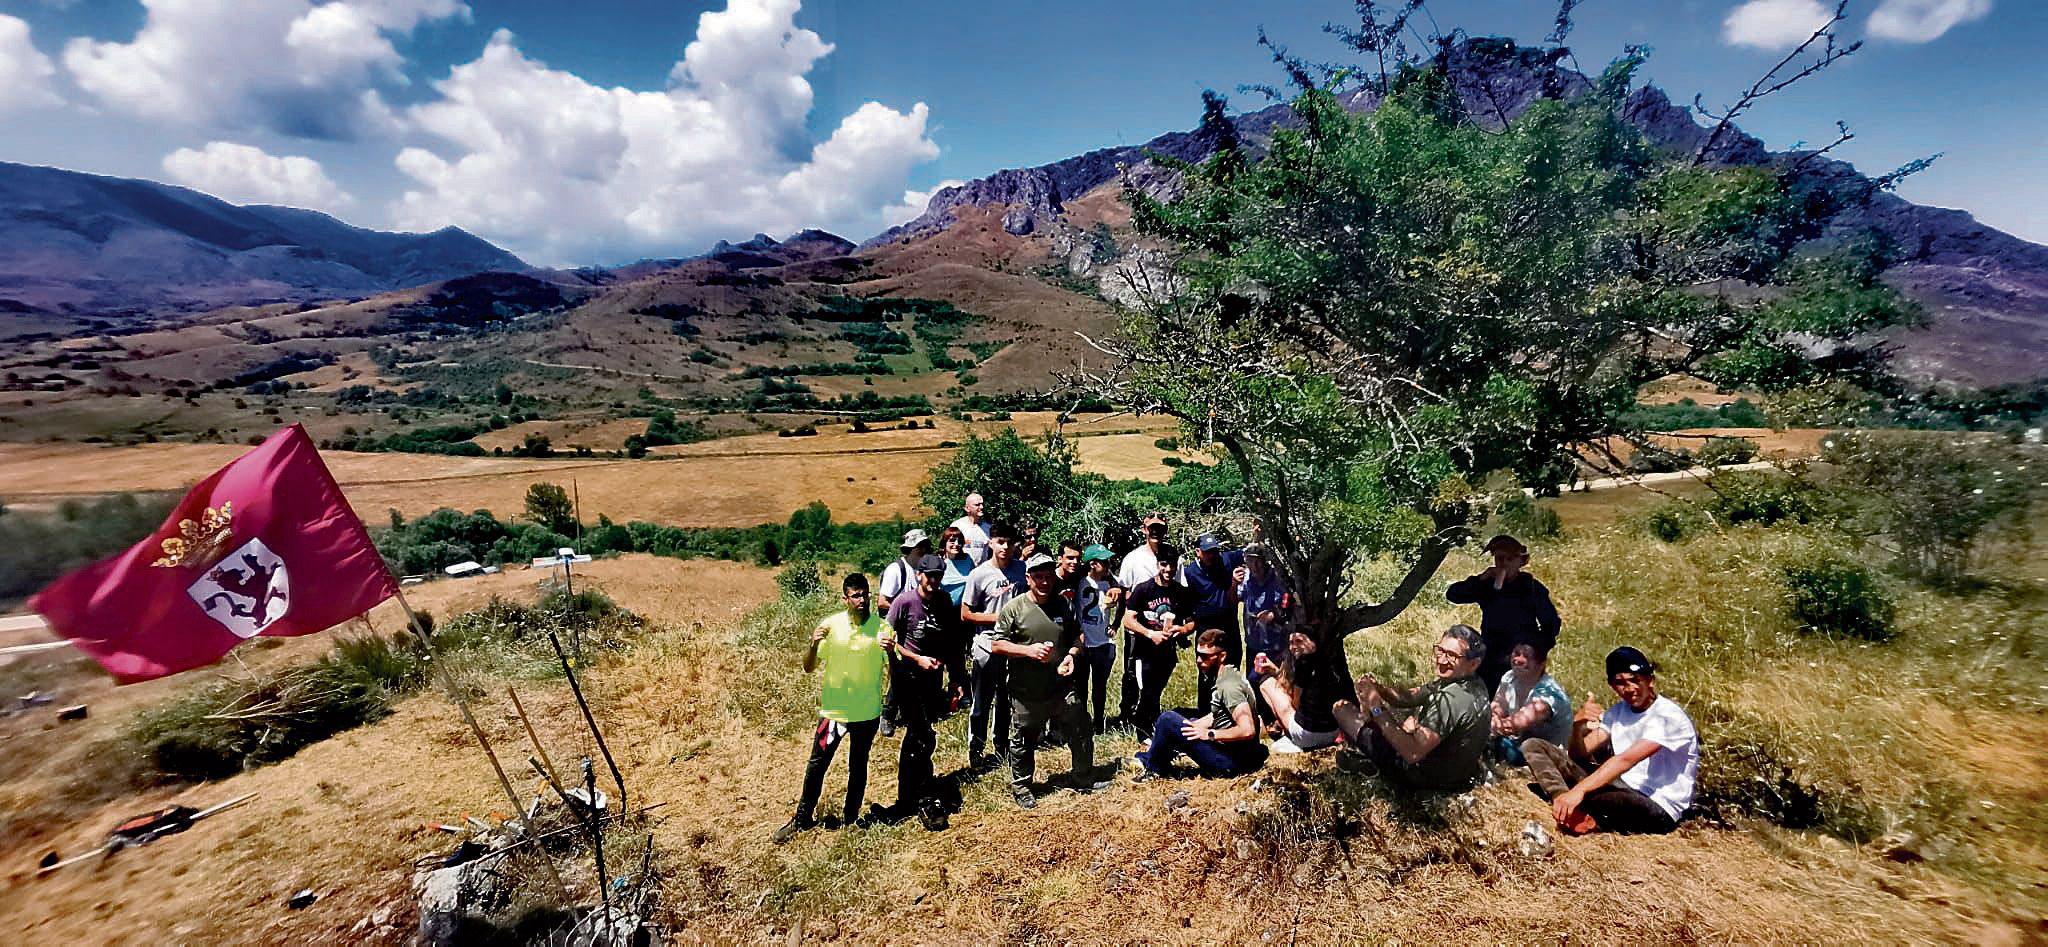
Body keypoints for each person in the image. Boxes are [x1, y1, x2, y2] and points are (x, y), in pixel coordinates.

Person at [1524, 646, 1697, 835]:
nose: (1630, 688)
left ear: (1650, 680)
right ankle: (1561, 800)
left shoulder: (1668, 717)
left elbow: (1625, 760)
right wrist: (1577, 726)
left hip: (1657, 805)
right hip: (1621, 786)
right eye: (1621, 683)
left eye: (1635, 680)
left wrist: (1579, 790)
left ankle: (1590, 819)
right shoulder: (1618, 711)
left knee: (1601, 795)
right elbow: (1579, 755)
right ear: (1613, 686)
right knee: (1533, 745)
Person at [775, 574, 886, 843]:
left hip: (867, 713)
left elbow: (894, 670)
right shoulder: (831, 626)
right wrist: (813, 644)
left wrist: (892, 650)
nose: (862, 600)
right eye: (856, 595)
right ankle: (802, 818)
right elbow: (808, 666)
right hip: (834, 713)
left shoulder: (882, 628)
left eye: (865, 594)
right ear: (845, 599)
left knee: (858, 766)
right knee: (817, 765)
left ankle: (851, 818)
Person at [993, 553, 1102, 808]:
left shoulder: (1062, 605)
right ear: (1028, 578)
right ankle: (1022, 787)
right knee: (1024, 738)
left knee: (1080, 727)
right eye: (1038, 577)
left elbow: (1078, 637)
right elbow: (997, 644)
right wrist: (1028, 651)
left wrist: (1072, 656)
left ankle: (1083, 777)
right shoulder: (1015, 608)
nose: (1044, 582)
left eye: (1048, 576)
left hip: (1061, 686)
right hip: (1026, 689)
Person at [1332, 624, 1492, 792]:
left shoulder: (1451, 700)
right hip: (1456, 773)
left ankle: (1373, 765)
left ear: (1473, 663)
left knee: (1342, 710)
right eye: (1440, 650)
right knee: (1405, 722)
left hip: (1423, 779)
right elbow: (1410, 697)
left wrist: (1376, 708)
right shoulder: (1471, 684)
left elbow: (1412, 753)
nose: (1441, 660)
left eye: (1451, 655)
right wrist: (1379, 688)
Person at [884, 555, 965, 831]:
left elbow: (953, 644)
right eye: (928, 575)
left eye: (938, 576)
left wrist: (956, 679)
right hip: (906, 679)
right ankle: (923, 796)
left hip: (933, 679)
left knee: (919, 737)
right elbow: (888, 642)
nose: (933, 581)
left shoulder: (943, 602)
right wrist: (915, 659)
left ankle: (908, 794)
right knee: (922, 735)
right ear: (919, 574)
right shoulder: (904, 602)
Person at [1135, 629, 1267, 779]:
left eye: (1205, 657)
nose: (1199, 660)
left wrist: (1210, 734)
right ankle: (1148, 758)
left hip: (1232, 764)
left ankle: (1153, 768)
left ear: (1222, 656)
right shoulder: (1227, 675)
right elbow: (1219, 714)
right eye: (1198, 655)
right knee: (1188, 722)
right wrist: (1196, 725)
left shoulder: (1229, 686)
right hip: (1237, 756)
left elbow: (1247, 730)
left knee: (1167, 719)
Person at [1446, 535, 1561, 696]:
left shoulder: (1532, 588)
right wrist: (1481, 579)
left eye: (1510, 559)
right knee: (1488, 700)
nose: (1505, 563)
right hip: (1491, 656)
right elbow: (1453, 595)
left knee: (1518, 703)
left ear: (1521, 561)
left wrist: (1535, 652)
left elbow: (1551, 624)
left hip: (1520, 658)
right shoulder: (1488, 586)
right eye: (1500, 559)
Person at [961, 522, 1027, 769]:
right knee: (982, 700)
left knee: (1006, 699)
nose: (1005, 547)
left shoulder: (1022, 569)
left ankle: (1001, 746)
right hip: (987, 643)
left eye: (1009, 542)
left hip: (1015, 643)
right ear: (991, 543)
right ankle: (976, 748)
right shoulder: (979, 574)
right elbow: (966, 614)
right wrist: (997, 618)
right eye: (1000, 541)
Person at [1117, 547, 1194, 732]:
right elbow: (1128, 620)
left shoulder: (1180, 592)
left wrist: (1182, 630)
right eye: (1164, 565)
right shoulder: (1144, 589)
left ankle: (1153, 728)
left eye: (1172, 565)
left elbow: (1192, 622)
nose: (1168, 570)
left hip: (1167, 653)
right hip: (1144, 652)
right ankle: (1142, 731)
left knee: (1156, 691)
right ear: (1157, 565)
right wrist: (1151, 634)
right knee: (1146, 692)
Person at [1255, 625, 1353, 753]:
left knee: (1266, 683)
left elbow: (1296, 703)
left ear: (1313, 643)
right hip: (1332, 733)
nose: (1294, 646)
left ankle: (1284, 735)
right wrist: (1275, 670)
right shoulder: (1329, 662)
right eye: (1291, 643)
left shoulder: (1304, 664)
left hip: (1308, 735)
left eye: (1299, 641)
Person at [1115, 517, 1173, 731]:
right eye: (1152, 528)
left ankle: (1151, 712)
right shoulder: (1133, 558)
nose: (1156, 532)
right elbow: (1124, 591)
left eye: (1160, 528)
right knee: (1132, 670)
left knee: (1159, 670)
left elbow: (1179, 588)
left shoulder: (1171, 555)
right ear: (1144, 530)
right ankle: (1127, 714)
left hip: (1163, 626)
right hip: (1138, 625)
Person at [875, 528, 932, 737]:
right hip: (895, 627)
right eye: (919, 549)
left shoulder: (921, 570)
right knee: (901, 670)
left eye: (925, 548)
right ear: (909, 549)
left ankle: (913, 709)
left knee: (913, 670)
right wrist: (903, 612)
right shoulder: (896, 570)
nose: (923, 552)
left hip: (913, 627)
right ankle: (888, 715)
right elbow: (882, 601)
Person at [1182, 534, 1243, 712]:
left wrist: (1258, 531)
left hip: (1229, 627)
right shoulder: (1189, 572)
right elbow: (1185, 603)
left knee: (1231, 671)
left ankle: (1232, 712)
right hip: (1205, 629)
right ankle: (1205, 713)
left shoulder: (1227, 560)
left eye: (1215, 551)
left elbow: (1252, 550)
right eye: (1208, 552)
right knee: (1206, 674)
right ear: (1198, 552)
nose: (1212, 555)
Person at [1489, 638, 1570, 765]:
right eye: (1516, 653)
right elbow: (1497, 708)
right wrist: (1492, 718)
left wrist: (1483, 728)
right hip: (1520, 743)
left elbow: (1514, 724)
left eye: (1527, 656)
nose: (1518, 660)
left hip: (1548, 757)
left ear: (1542, 663)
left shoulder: (1548, 694)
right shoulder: (1509, 677)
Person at [1073, 544, 1121, 733]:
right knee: (1081, 686)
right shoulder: (1080, 581)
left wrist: (1116, 624)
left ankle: (1099, 721)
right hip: (1084, 641)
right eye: (1103, 562)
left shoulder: (1110, 582)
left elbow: (1124, 600)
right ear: (1092, 564)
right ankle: (1082, 720)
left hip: (1102, 641)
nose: (1108, 565)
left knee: (1100, 686)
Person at [1237, 544, 1291, 675]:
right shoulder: (1246, 578)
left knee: (1276, 682)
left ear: (1265, 561)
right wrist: (1233, 582)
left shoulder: (1278, 578)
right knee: (1253, 681)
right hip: (1253, 644)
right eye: (1250, 561)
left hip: (1275, 645)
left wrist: (1273, 614)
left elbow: (1288, 604)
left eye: (1258, 561)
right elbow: (1237, 596)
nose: (1254, 566)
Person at [938, 526, 976, 607]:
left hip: (963, 607)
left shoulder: (967, 560)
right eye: (952, 541)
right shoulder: (938, 562)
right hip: (942, 607)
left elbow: (975, 581)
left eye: (960, 541)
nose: (956, 544)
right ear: (945, 542)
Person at [951, 493, 990, 564]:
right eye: (977, 505)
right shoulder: (957, 526)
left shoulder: (988, 528)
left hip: (980, 571)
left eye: (982, 504)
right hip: (961, 570)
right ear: (967, 508)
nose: (981, 507)